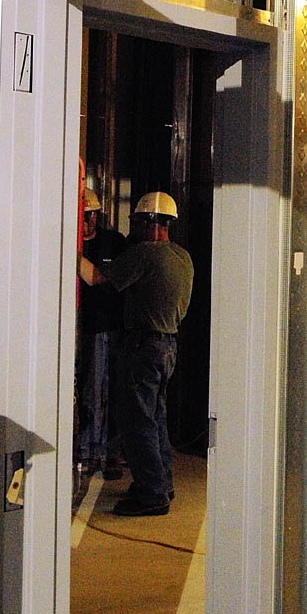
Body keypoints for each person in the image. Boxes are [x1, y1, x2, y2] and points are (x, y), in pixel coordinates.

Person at [78, 191, 194, 516]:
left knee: (137, 422)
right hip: (169, 345)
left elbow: (94, 277)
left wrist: (66, 247)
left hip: (143, 347)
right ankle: (160, 482)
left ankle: (152, 494)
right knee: (156, 418)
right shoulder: (182, 257)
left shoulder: (144, 254)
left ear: (146, 223)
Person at [77, 187, 126, 479]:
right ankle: (89, 451)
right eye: (83, 215)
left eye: (90, 215)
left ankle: (105, 453)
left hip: (109, 327)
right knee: (89, 392)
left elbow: (97, 279)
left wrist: (74, 253)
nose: (87, 221)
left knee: (109, 392)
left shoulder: (112, 243)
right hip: (85, 328)